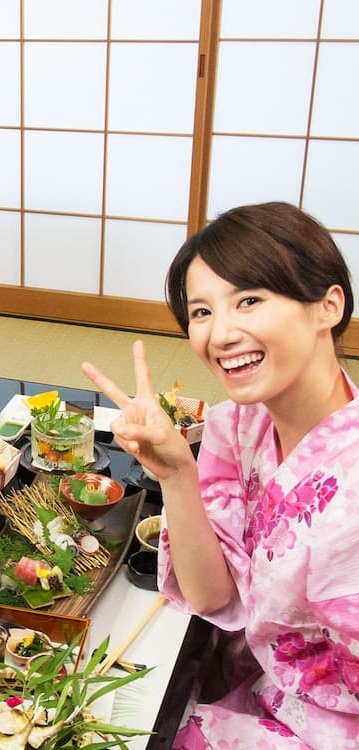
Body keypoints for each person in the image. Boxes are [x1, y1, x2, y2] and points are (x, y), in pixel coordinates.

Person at [82, 202, 359, 747]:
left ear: (328, 306)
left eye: (249, 300)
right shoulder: (236, 425)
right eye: (202, 312)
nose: (221, 334)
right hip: (246, 678)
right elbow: (210, 596)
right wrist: (177, 474)